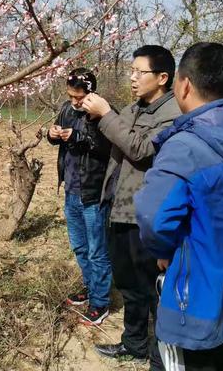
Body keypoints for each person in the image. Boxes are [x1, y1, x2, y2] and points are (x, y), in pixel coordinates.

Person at [135, 42, 223, 371]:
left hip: (195, 306)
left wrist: (164, 250)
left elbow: (154, 218)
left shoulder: (185, 147)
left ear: (184, 84)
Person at [82, 45, 180, 370]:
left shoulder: (174, 114)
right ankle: (133, 344)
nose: (133, 77)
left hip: (144, 217)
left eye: (140, 72)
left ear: (162, 77)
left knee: (153, 291)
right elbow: (112, 141)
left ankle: (159, 358)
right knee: (129, 286)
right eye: (132, 70)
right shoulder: (134, 108)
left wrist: (107, 113)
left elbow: (139, 149)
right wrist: (91, 118)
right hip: (117, 208)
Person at [47, 68, 112, 326]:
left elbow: (106, 146)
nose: (75, 101)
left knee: (97, 252)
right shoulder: (66, 109)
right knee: (80, 247)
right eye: (71, 96)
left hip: (93, 194)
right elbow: (60, 138)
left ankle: (100, 302)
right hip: (71, 191)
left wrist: (79, 138)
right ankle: (90, 288)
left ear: (91, 92)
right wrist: (53, 135)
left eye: (79, 96)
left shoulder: (102, 111)